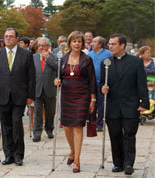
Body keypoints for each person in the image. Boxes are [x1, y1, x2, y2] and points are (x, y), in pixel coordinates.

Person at [0, 28, 36, 166]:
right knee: (5, 126)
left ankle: (18, 155)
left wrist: (31, 95)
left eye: (11, 36)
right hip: (3, 95)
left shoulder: (26, 54)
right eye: (6, 36)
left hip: (20, 95)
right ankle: (8, 155)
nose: (8, 38)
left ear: (17, 39)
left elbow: (31, 77)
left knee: (16, 124)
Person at [101, 34, 149, 175]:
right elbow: (102, 83)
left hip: (130, 104)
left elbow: (141, 83)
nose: (110, 46)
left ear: (122, 45)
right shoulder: (106, 63)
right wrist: (102, 88)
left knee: (129, 134)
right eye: (109, 44)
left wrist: (144, 102)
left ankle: (128, 163)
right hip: (112, 105)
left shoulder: (136, 62)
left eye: (113, 44)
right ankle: (118, 163)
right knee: (115, 135)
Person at [54, 31, 97, 173]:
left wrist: (92, 99)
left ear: (82, 43)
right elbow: (58, 76)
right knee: (67, 127)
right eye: (74, 41)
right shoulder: (63, 59)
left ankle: (77, 160)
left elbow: (92, 80)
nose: (77, 44)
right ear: (70, 43)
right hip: (67, 95)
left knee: (78, 127)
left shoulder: (87, 59)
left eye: (79, 41)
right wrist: (57, 81)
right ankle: (72, 151)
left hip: (82, 95)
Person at [32, 37, 58, 142]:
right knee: (37, 112)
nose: (41, 48)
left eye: (43, 45)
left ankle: (49, 130)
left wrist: (48, 58)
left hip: (50, 88)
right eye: (39, 46)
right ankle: (37, 133)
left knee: (50, 112)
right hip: (37, 88)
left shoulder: (54, 57)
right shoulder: (33, 57)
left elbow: (58, 68)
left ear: (48, 46)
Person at [88, 36, 112, 132]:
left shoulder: (108, 54)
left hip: (102, 82)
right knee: (92, 102)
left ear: (100, 44)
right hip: (91, 82)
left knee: (102, 103)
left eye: (94, 42)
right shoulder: (90, 54)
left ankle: (100, 124)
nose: (92, 43)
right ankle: (92, 122)